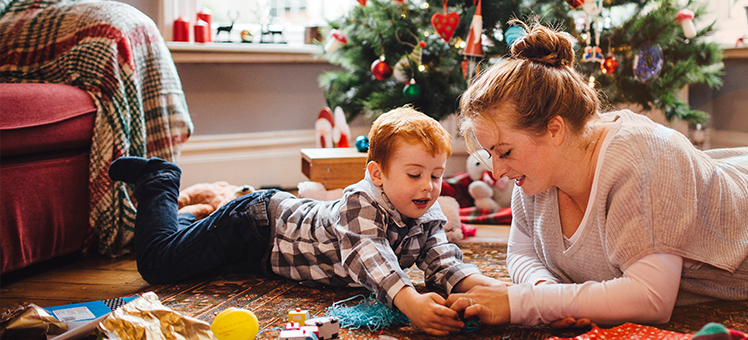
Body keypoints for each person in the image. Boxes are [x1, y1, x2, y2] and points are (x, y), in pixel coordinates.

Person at [444, 22, 748, 327]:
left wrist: (524, 304)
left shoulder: (639, 163)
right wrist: (549, 292)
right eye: (490, 155)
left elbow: (650, 300)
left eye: (502, 151)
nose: (498, 171)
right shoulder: (538, 175)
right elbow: (522, 250)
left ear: (554, 129)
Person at [108, 107, 507, 335]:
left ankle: (189, 218)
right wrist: (412, 304)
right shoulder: (360, 202)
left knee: (202, 261)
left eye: (436, 175)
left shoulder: (426, 209)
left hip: (271, 260)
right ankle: (159, 179)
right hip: (255, 226)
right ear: (378, 173)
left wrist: (497, 291)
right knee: (159, 263)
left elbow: (445, 263)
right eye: (415, 174)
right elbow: (374, 261)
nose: (429, 186)